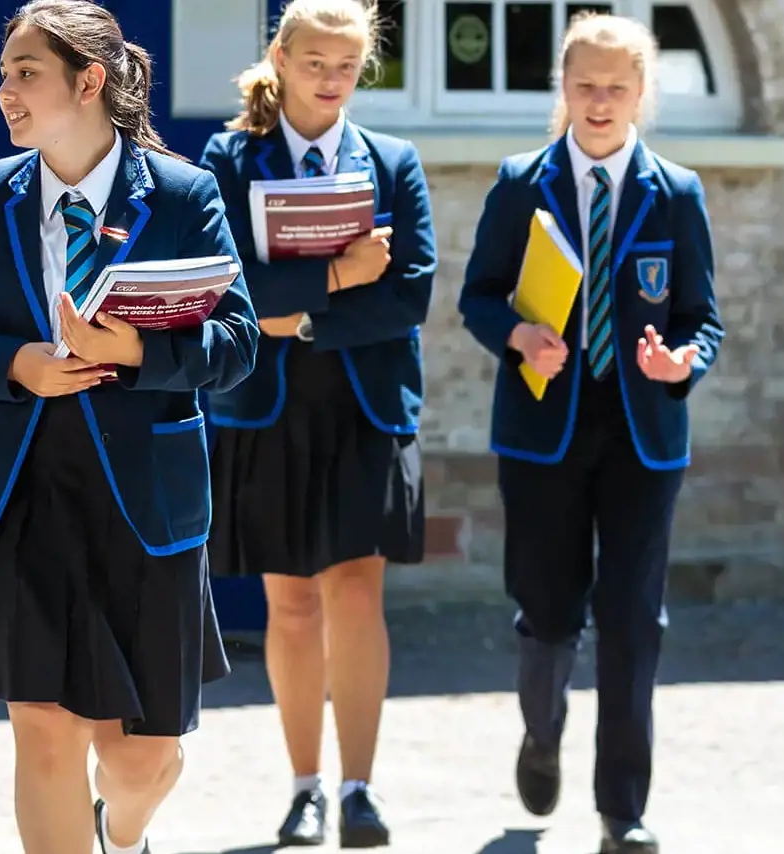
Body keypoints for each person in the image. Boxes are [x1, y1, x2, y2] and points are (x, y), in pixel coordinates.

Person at [0, 2, 259, 851]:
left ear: (91, 80)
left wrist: (141, 349)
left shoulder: (183, 195)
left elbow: (238, 341)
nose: (5, 91)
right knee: (42, 732)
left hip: (145, 506)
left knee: (142, 758)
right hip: (18, 496)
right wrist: (18, 365)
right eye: (3, 74)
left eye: (25, 72)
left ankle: (124, 829)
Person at [456, 13, 723, 854]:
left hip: (644, 432)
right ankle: (541, 734)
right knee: (548, 608)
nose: (600, 102)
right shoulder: (519, 182)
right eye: (585, 86)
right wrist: (516, 334)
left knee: (635, 616)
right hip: (544, 427)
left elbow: (701, 318)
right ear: (563, 92)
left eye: (617, 87)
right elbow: (479, 295)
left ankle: (623, 810)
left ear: (642, 93)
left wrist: (684, 361)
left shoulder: (676, 194)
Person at [195, 0, 436, 846]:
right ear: (283, 59)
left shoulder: (396, 161)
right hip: (267, 406)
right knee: (290, 604)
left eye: (346, 66)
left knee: (357, 591)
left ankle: (360, 789)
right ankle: (304, 789)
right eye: (315, 63)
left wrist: (297, 313)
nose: (331, 81)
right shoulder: (229, 159)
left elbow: (410, 296)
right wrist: (335, 282)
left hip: (365, 406)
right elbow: (227, 291)